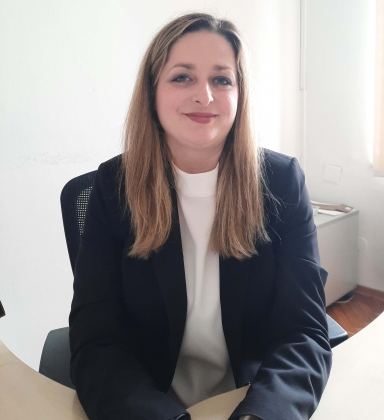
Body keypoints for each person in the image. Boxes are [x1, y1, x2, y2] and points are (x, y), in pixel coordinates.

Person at [69, 12, 332, 420]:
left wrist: (260, 415)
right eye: (182, 77)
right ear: (152, 92)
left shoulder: (281, 183)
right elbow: (96, 340)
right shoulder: (113, 186)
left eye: (222, 80)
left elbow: (304, 331)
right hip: (148, 400)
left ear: (240, 94)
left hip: (251, 397)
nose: (204, 96)